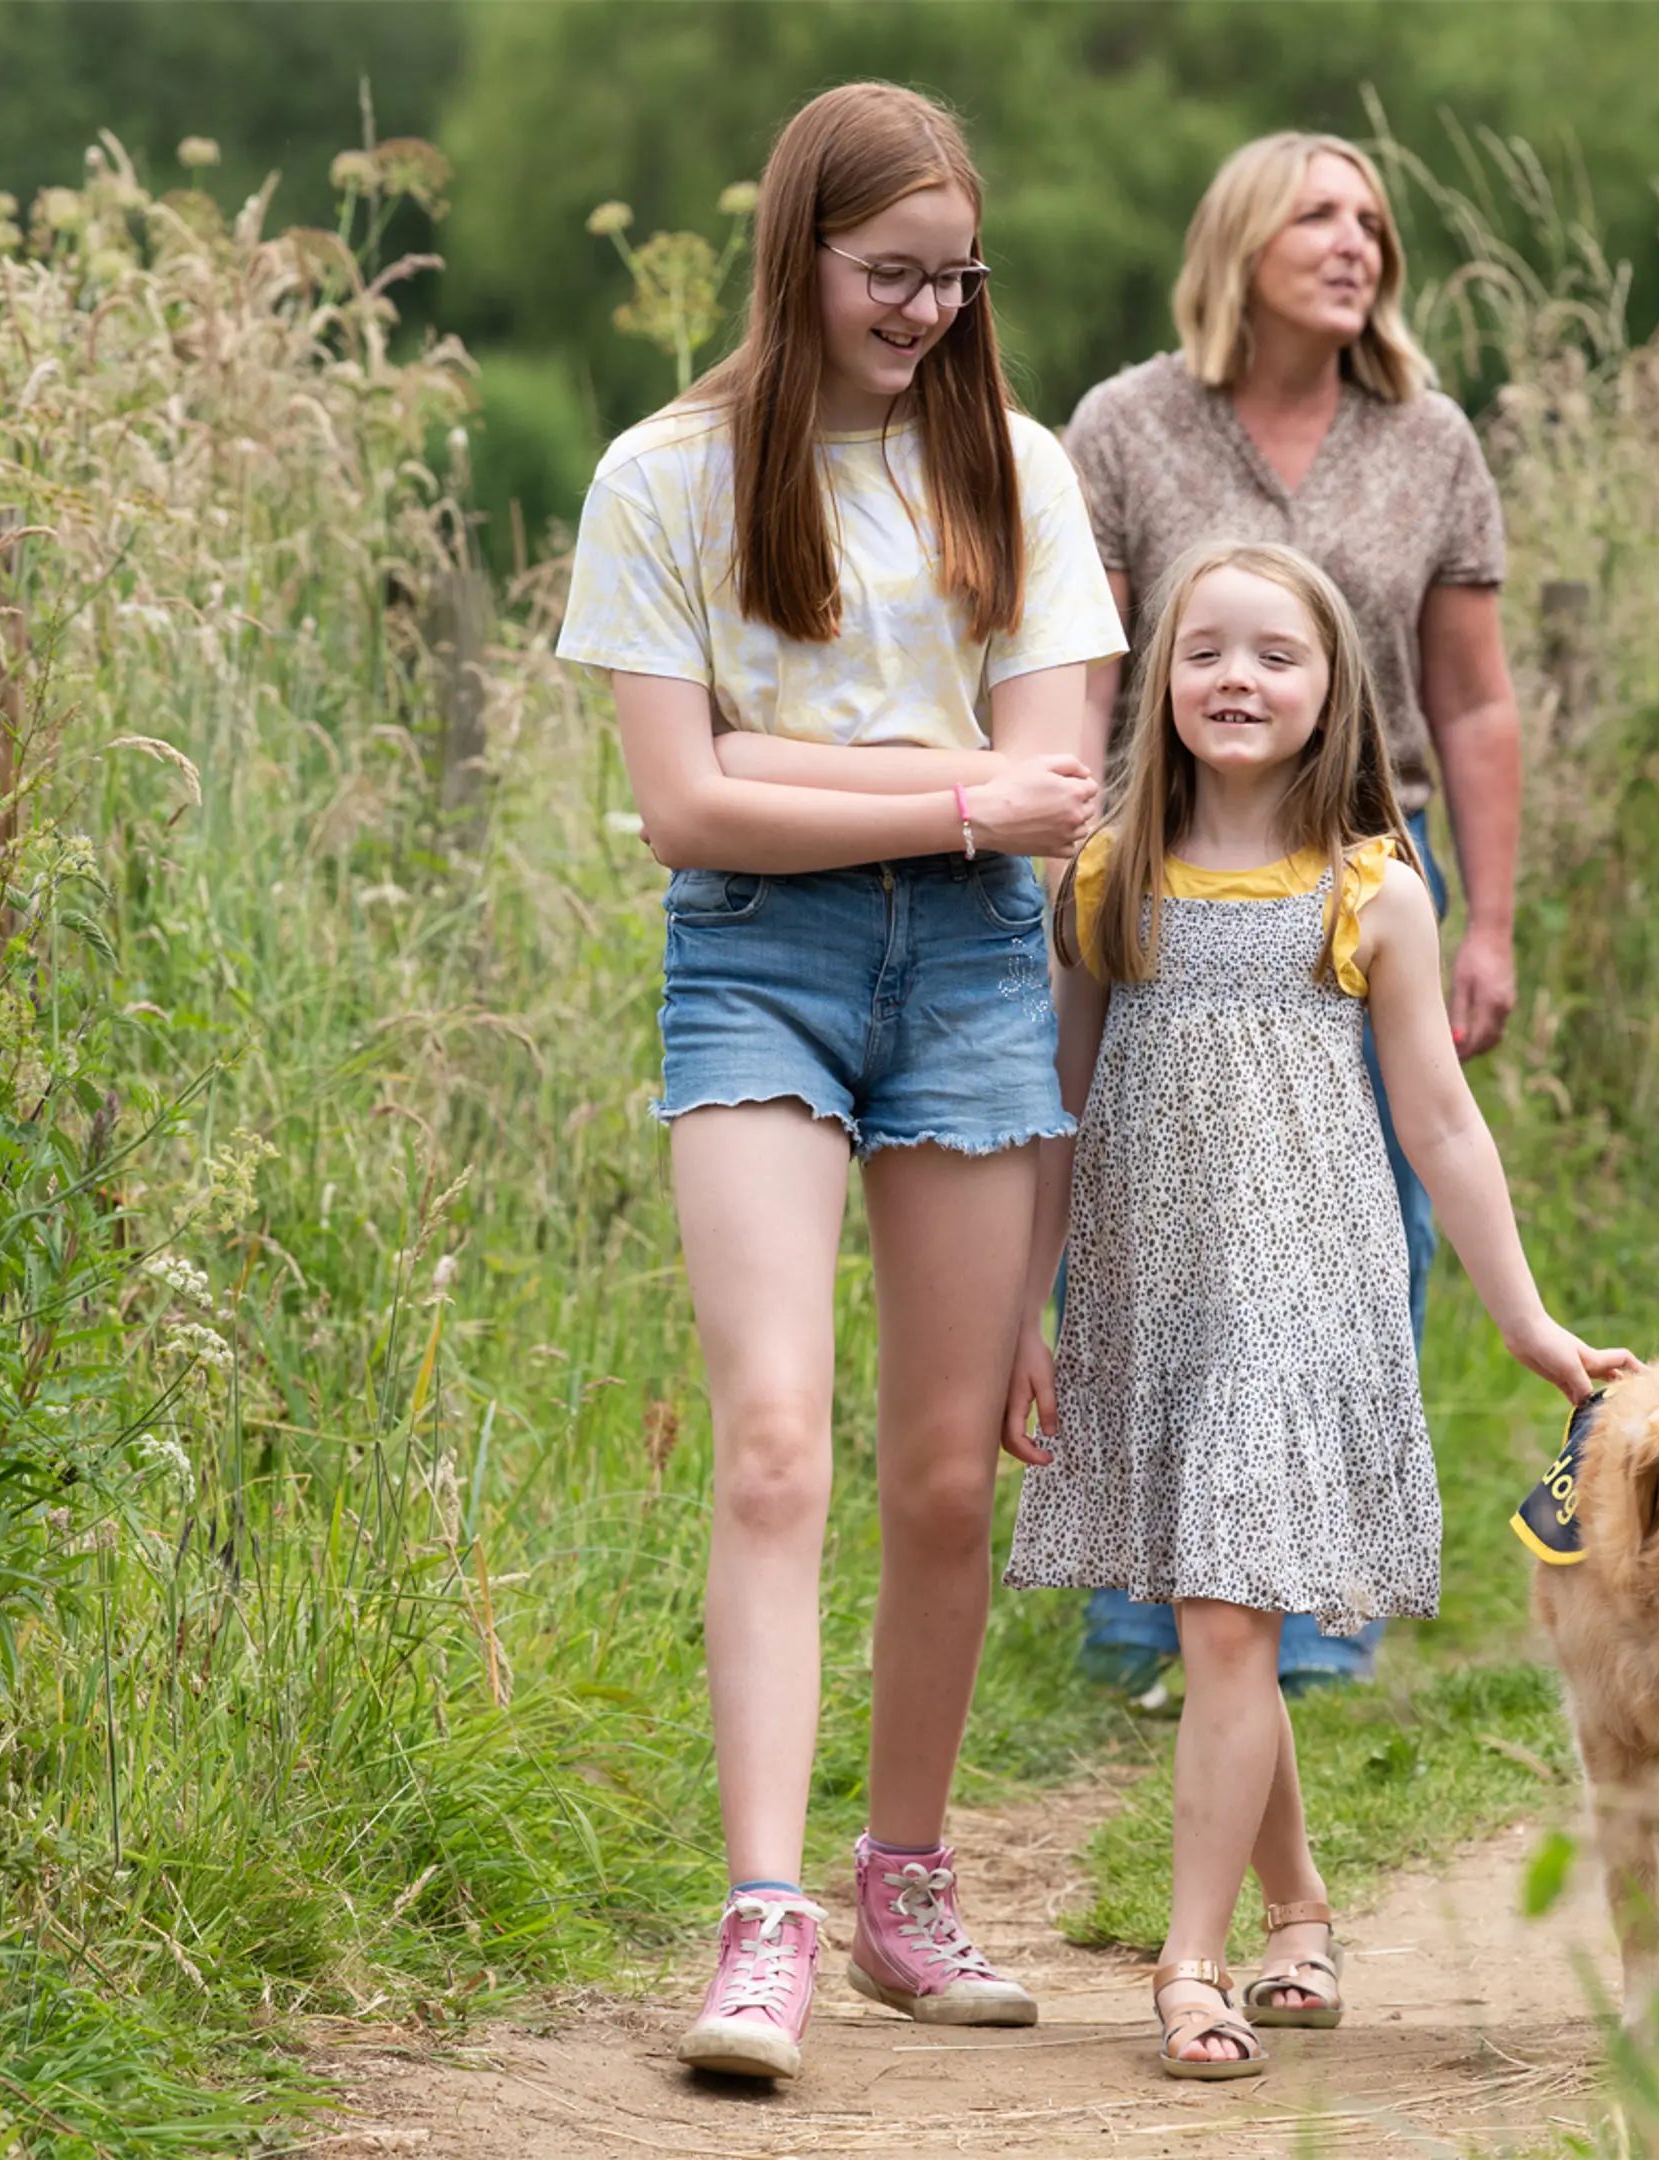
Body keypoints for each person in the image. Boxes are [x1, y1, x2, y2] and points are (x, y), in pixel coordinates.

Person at [555, 81, 1128, 2080]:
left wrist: (847, 784)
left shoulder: (1024, 473)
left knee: (950, 1475)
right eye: (894, 276)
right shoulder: (667, 476)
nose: (928, 315)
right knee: (779, 1442)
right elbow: (677, 806)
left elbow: (1059, 809)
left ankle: (905, 1881)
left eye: (957, 281)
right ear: (796, 250)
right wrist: (946, 784)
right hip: (755, 978)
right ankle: (762, 1921)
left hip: (970, 982)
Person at [1000, 540, 1630, 2077]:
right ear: (1159, 682)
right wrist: (1024, 1313)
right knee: (1233, 1607)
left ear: (1338, 688)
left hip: (1309, 1288)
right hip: (1154, 1295)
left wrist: (1528, 1321)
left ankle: (1188, 1965)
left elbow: (1443, 1127)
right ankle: (1301, 1911)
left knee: (1226, 1617)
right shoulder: (1106, 880)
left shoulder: (1375, 892)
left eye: (1277, 655)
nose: (1238, 679)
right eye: (1204, 651)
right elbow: (1055, 1107)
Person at [1061, 130, 1530, 1695]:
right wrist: (1076, 868)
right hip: (1161, 871)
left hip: (1363, 870)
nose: (1356, 244)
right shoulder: (1126, 429)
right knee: (1144, 1213)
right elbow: (1089, 678)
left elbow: (1470, 704)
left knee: (1359, 1229)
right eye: (1319, 215)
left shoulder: (1428, 439)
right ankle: (1145, 1595)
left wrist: (1489, 921)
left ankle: (1317, 1601)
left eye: (1374, 221)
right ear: (1238, 241)